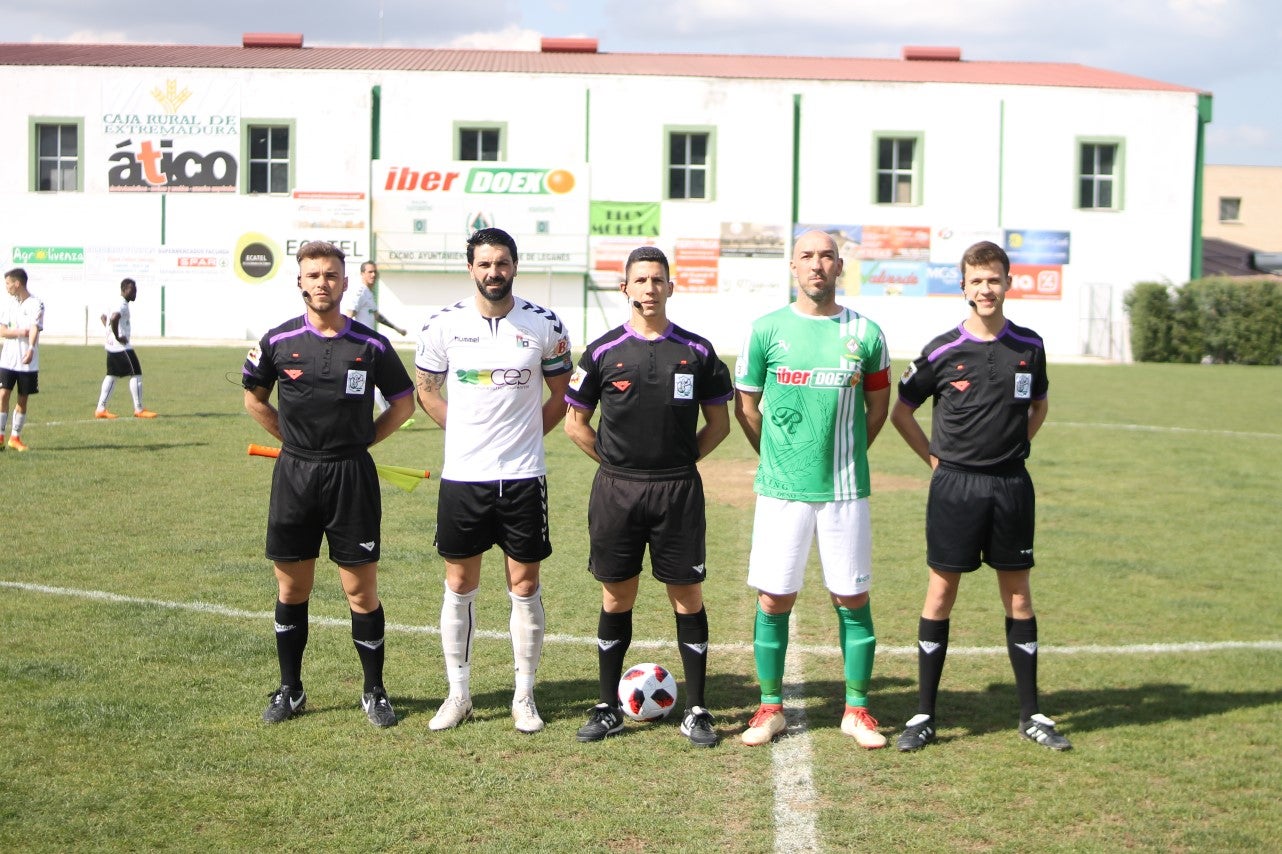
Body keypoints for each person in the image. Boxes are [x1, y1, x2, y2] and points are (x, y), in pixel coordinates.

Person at [890, 240, 1070, 752]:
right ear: (963, 287)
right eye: (977, 281)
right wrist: (934, 459)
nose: (985, 289)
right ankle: (924, 713)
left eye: (994, 280)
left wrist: (1015, 447)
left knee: (1018, 595)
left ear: (1008, 283)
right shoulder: (942, 350)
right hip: (956, 487)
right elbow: (903, 410)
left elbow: (1038, 406)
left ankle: (1031, 713)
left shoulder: (1029, 347)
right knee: (941, 593)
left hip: (1012, 485)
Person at [564, 246, 733, 748]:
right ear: (626, 289)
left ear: (670, 288)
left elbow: (719, 424)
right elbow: (576, 422)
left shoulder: (698, 351)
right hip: (617, 490)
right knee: (617, 594)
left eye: (658, 280)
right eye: (640, 281)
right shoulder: (600, 352)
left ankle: (698, 709)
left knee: (687, 595)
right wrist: (617, 466)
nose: (649, 289)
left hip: (678, 489)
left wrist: (678, 463)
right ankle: (606, 705)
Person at [242, 240, 415, 728]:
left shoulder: (371, 344)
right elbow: (254, 400)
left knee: (361, 591)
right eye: (313, 275)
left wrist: (364, 441)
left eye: (331, 275)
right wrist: (293, 440)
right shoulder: (276, 342)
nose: (322, 282)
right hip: (295, 474)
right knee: (292, 589)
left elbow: (403, 404)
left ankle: (374, 691)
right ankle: (291, 689)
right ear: (300, 281)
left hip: (351, 475)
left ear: (345, 282)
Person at [734, 229, 891, 749]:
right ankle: (770, 707)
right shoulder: (765, 331)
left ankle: (858, 710)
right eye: (807, 256)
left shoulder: (866, 333)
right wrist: (781, 457)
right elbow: (748, 407)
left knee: (853, 596)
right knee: (775, 597)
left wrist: (843, 453)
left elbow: (877, 408)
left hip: (845, 489)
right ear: (793, 267)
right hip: (782, 489)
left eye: (826, 256)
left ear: (839, 266)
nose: (817, 265)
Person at [414, 227, 573, 735]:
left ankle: (523, 696)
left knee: (524, 585)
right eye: (484, 264)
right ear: (471, 268)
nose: (493, 272)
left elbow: (561, 392)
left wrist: (528, 436)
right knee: (460, 583)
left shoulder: (545, 325)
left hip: (524, 477)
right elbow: (426, 388)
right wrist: (462, 432)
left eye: (502, 263)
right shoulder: (442, 325)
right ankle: (458, 694)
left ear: (515, 266)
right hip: (463, 477)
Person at [344, 261, 408, 418]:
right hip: (360, 345)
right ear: (362, 274)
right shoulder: (360, 291)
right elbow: (348, 314)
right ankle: (387, 412)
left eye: (375, 272)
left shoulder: (368, 293)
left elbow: (376, 316)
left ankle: (365, 412)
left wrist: (396, 329)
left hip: (368, 344)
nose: (373, 275)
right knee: (365, 379)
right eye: (370, 272)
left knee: (367, 379)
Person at [95, 277, 158, 419]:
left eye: (136, 290)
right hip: (122, 346)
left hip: (111, 346)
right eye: (132, 290)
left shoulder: (115, 301)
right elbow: (114, 318)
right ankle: (139, 409)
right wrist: (117, 336)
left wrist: (109, 333)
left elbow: (103, 317)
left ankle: (100, 409)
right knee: (136, 374)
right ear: (124, 290)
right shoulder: (122, 304)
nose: (135, 293)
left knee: (111, 376)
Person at [0, 268, 44, 453]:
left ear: (17, 283)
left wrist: (31, 347)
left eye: (8, 283)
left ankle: (15, 438)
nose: (7, 286)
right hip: (7, 360)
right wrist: (20, 332)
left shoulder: (37, 304)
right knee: (3, 395)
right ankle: (1, 435)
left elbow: (35, 328)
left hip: (27, 361)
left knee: (22, 399)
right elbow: (2, 331)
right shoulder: (8, 304)